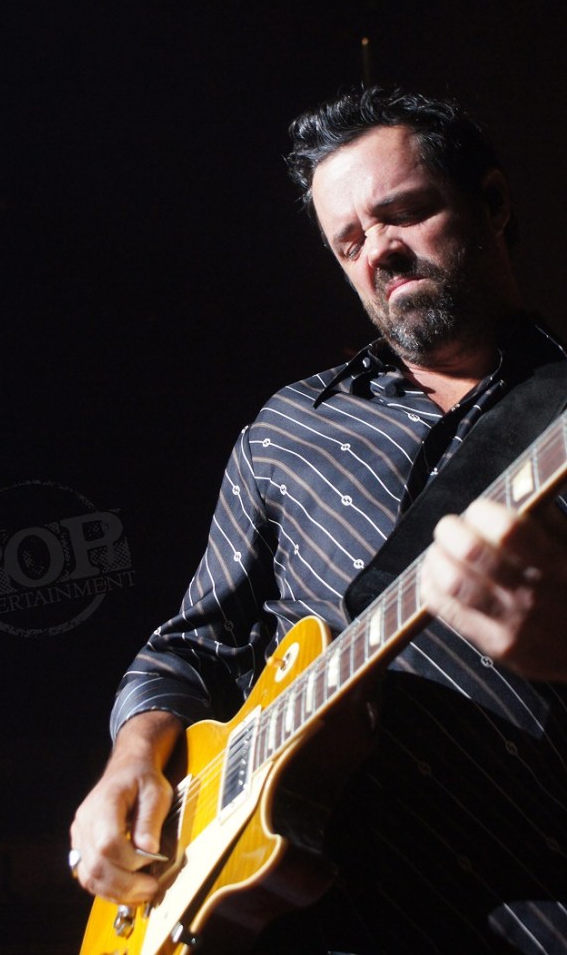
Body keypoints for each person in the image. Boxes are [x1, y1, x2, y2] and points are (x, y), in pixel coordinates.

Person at [70, 86, 567, 954]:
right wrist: (132, 757)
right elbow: (193, 646)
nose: (379, 251)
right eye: (349, 241)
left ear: (491, 203)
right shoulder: (287, 428)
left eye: (403, 213)